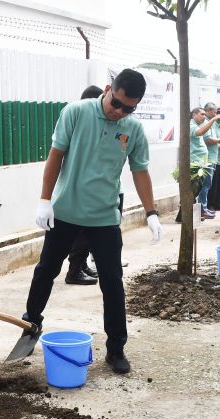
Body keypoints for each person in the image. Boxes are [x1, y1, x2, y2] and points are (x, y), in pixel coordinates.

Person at [26, 68, 163, 374]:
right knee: (46, 270)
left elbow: (140, 171)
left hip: (104, 217)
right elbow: (55, 156)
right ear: (107, 89)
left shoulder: (133, 129)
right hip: (65, 211)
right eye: (117, 103)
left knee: (113, 283)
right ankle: (30, 323)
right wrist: (45, 200)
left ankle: (116, 349)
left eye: (129, 108)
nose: (120, 112)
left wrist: (151, 212)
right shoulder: (75, 113)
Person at [65, 85, 126, 285]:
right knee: (82, 236)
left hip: (107, 192)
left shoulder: (118, 125)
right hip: (84, 196)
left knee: (89, 238)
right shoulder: (77, 119)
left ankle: (81, 266)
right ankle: (74, 270)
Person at [178, 107, 220, 222]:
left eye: (204, 115)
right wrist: (213, 119)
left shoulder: (196, 125)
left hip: (200, 162)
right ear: (194, 115)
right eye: (202, 114)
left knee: (198, 188)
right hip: (195, 163)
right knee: (195, 189)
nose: (204, 117)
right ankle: (195, 212)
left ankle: (191, 213)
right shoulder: (191, 126)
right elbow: (200, 132)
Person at [199, 103, 220, 213]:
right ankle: (203, 209)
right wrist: (219, 140)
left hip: (211, 157)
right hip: (207, 158)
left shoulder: (210, 124)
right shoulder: (206, 124)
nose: (216, 113)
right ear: (209, 111)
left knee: (207, 185)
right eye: (214, 111)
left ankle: (203, 208)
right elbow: (207, 139)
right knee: (205, 185)